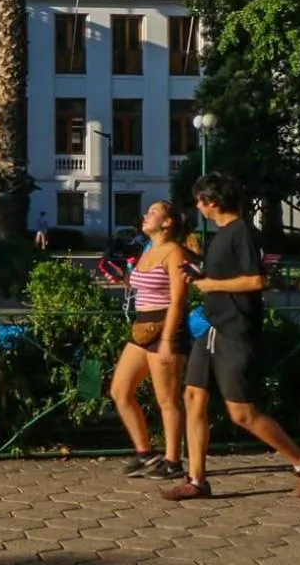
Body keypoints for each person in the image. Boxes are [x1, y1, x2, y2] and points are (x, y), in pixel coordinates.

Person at [163, 172, 300, 500]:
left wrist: (211, 284)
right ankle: (197, 480)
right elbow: (227, 274)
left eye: (200, 199)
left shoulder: (244, 234)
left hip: (236, 330)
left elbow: (258, 281)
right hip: (210, 328)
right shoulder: (220, 235)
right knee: (193, 398)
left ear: (213, 202)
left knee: (241, 413)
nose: (197, 205)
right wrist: (201, 275)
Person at [111, 201, 193, 481]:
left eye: (154, 212)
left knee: (167, 400)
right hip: (142, 327)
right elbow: (143, 288)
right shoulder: (148, 250)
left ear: (168, 222)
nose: (146, 215)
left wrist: (169, 339)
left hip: (165, 327)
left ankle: (173, 461)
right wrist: (122, 278)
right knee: (120, 391)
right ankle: (145, 454)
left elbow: (178, 299)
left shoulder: (174, 252)